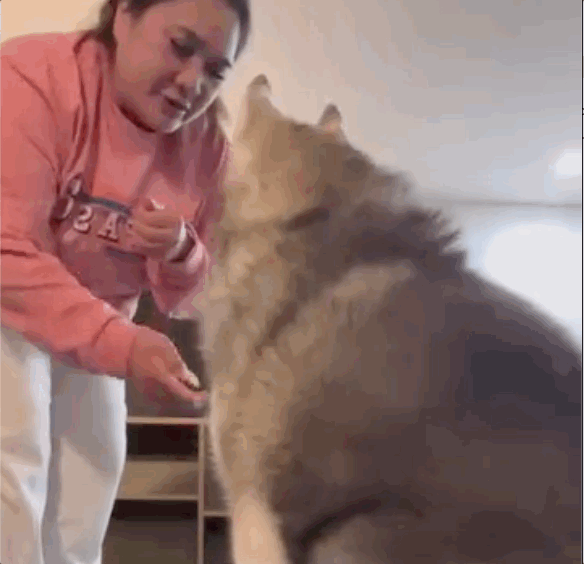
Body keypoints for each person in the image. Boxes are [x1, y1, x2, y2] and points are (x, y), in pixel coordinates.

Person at [0, 0, 250, 562]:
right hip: (10, 307)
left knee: (92, 472)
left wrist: (181, 252)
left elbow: (189, 297)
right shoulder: (29, 78)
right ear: (122, 16)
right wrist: (122, 344)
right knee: (14, 452)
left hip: (101, 319)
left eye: (216, 71)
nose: (193, 82)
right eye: (181, 47)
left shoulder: (207, 149)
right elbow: (6, 252)